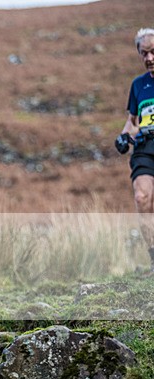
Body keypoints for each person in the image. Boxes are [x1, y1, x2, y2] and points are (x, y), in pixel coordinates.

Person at [117, 28, 154, 271]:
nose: (149, 58)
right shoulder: (138, 85)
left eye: (153, 52)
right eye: (144, 54)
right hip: (144, 147)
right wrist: (122, 136)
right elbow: (133, 121)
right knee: (142, 198)